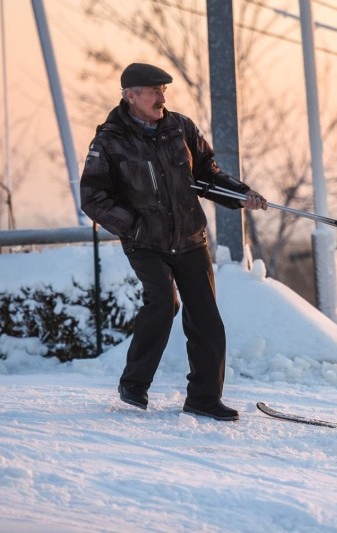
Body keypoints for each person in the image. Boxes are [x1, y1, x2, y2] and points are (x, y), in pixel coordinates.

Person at [80, 63, 267, 421]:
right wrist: (133, 226)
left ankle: (204, 398)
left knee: (207, 319)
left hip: (190, 238)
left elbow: (207, 173)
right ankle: (134, 383)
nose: (162, 97)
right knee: (164, 303)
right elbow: (92, 197)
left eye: (164, 90)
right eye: (154, 91)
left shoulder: (180, 128)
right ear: (130, 96)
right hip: (145, 241)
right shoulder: (109, 140)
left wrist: (241, 194)